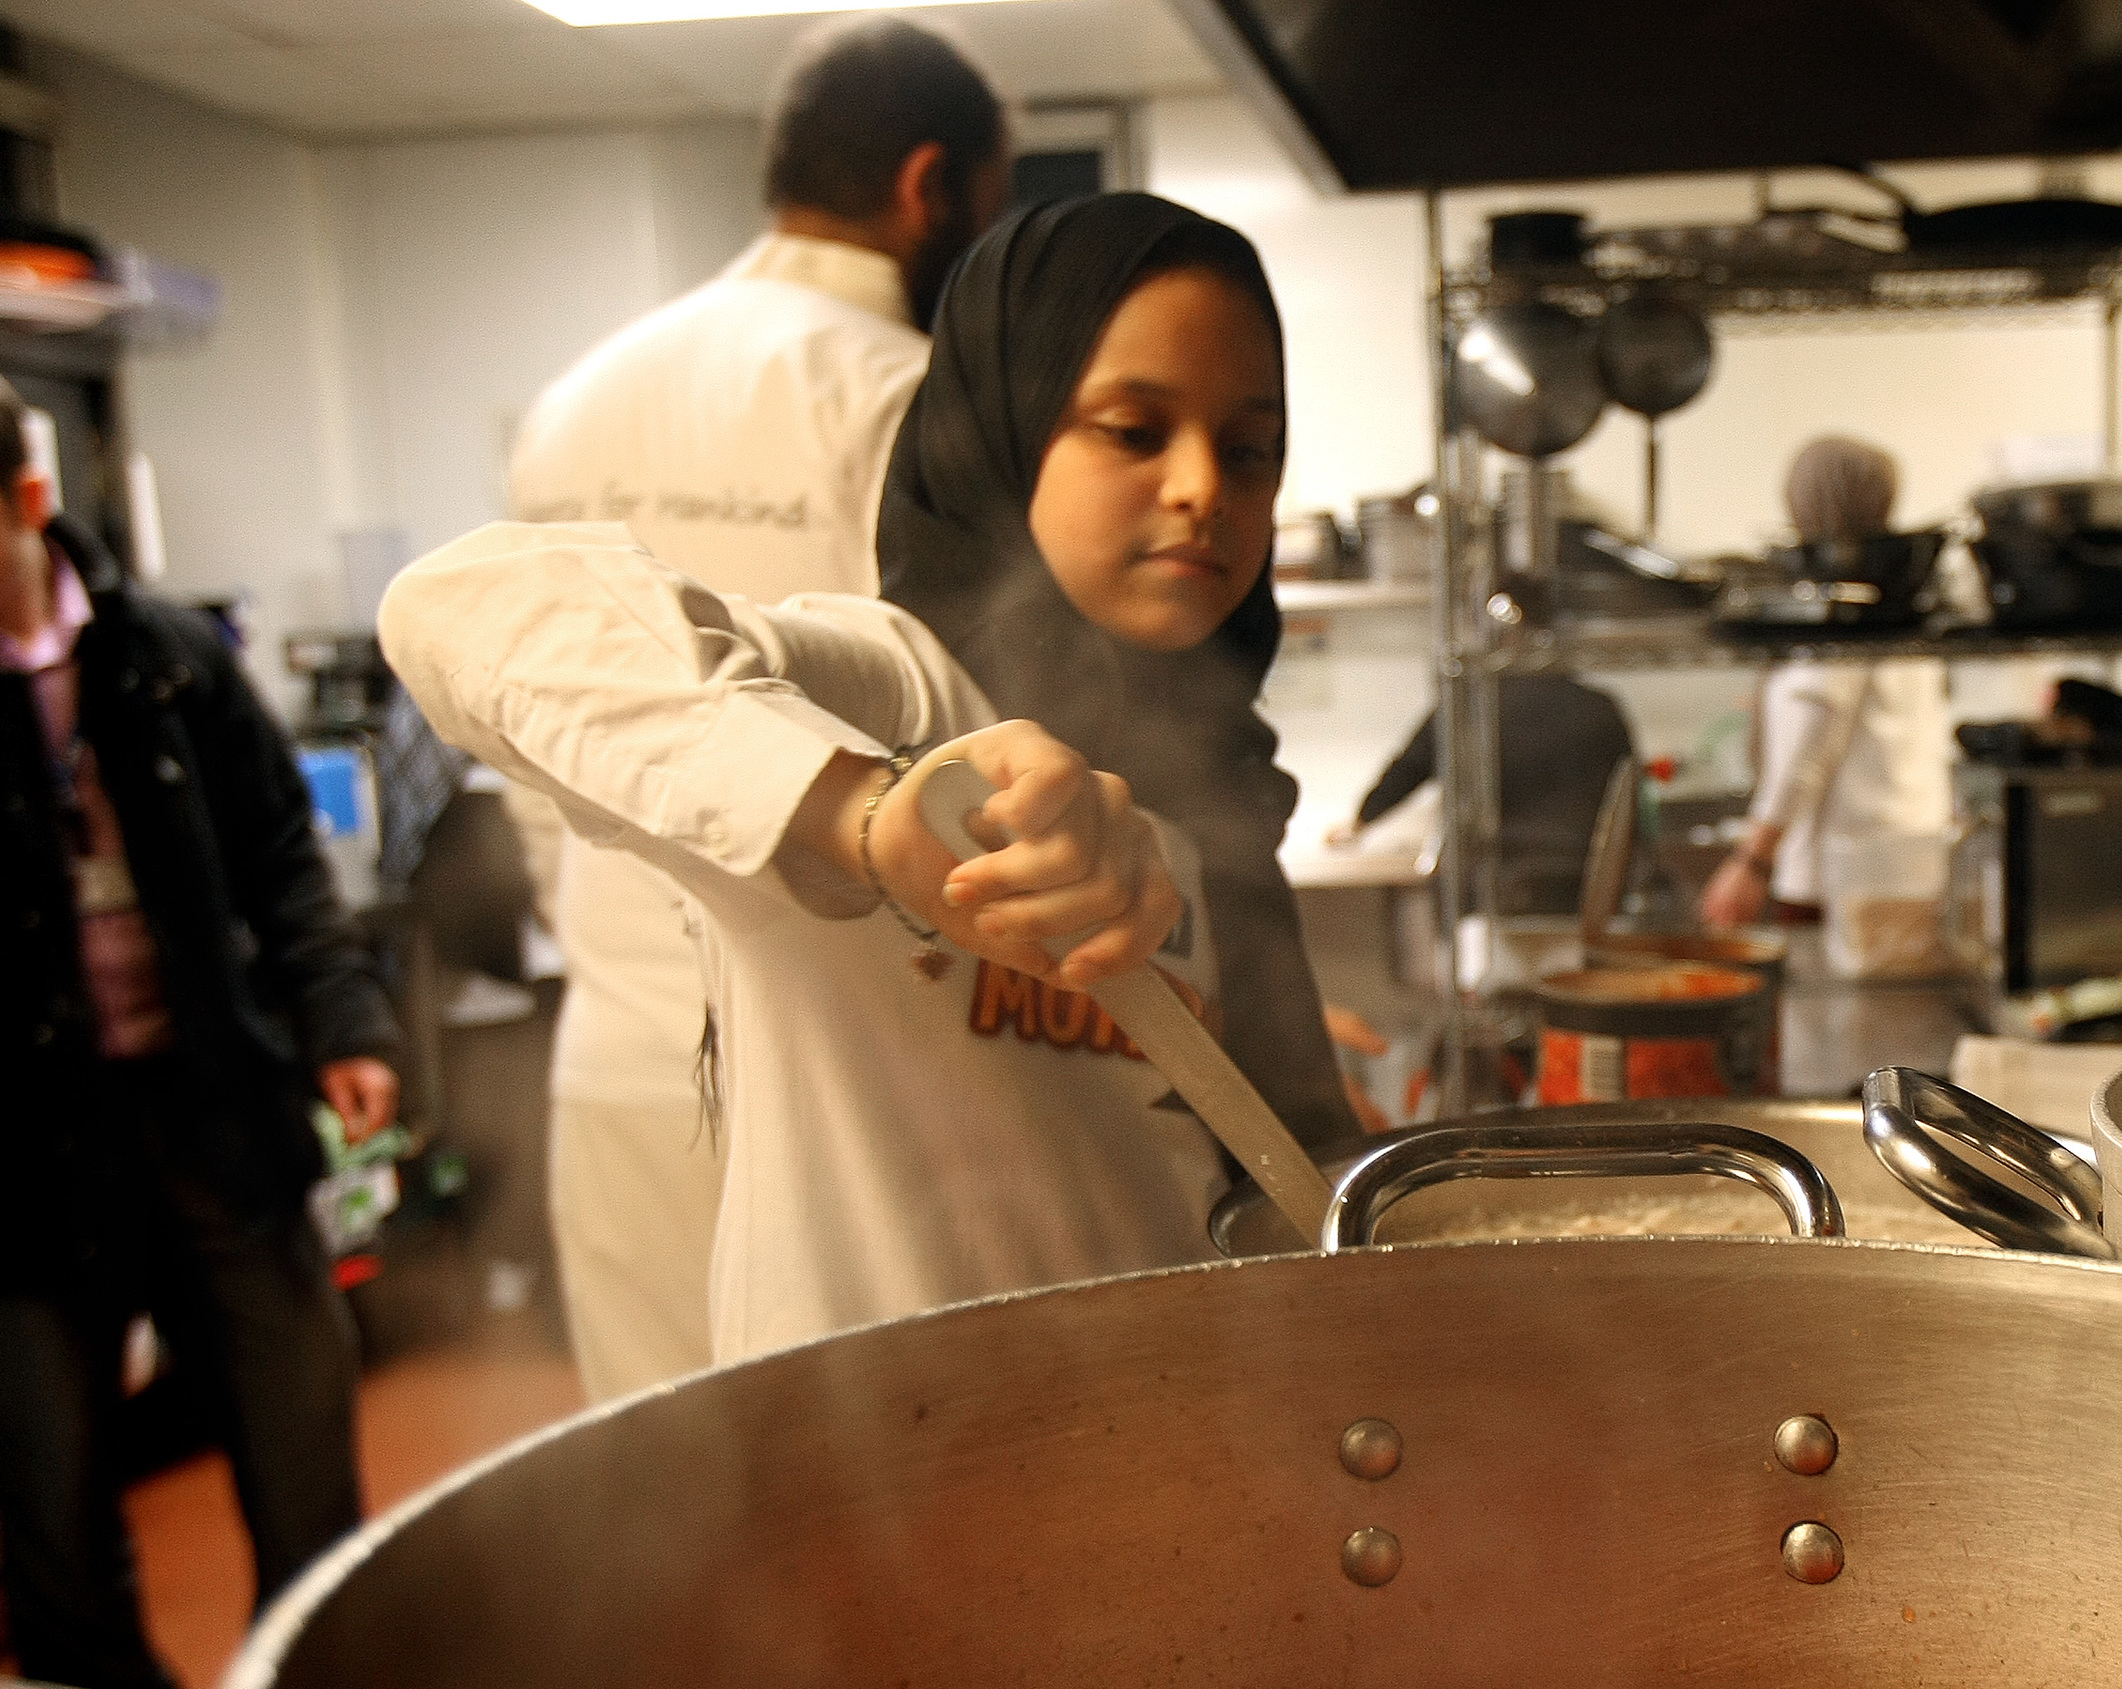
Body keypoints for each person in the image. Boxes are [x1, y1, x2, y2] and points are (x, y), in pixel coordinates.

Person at [382, 195, 1357, 1362]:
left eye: (1250, 450)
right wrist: (872, 816)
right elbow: (465, 608)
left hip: (1141, 1433)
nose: (1206, 486)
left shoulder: (1216, 790)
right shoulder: (893, 691)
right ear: (999, 430)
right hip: (881, 1464)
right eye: (1133, 430)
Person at [507, 13, 1009, 1402]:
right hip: (838, 1088)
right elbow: (963, 734)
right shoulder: (899, 392)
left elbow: (528, 739)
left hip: (614, 1050)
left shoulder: (577, 396)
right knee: (868, 1524)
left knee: (664, 1525)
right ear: (930, 186)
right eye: (993, 197)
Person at [0, 380, 401, 1689]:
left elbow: (286, 866)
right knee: (50, 1501)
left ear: (26, 507)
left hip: (213, 1114)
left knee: (302, 1448)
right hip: (31, 1162)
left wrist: (343, 1027)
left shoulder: (168, 663)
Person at [1699, 437, 1954, 930]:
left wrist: (1751, 861)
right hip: (1908, 855)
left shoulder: (1840, 595)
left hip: (1841, 873)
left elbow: (1809, 740)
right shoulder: (1902, 589)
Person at [1331, 668, 1637, 917]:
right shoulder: (1600, 705)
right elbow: (1629, 792)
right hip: (1584, 872)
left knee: (1497, 976)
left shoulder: (1471, 706)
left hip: (1499, 874)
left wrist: (1361, 820)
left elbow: (1410, 768)